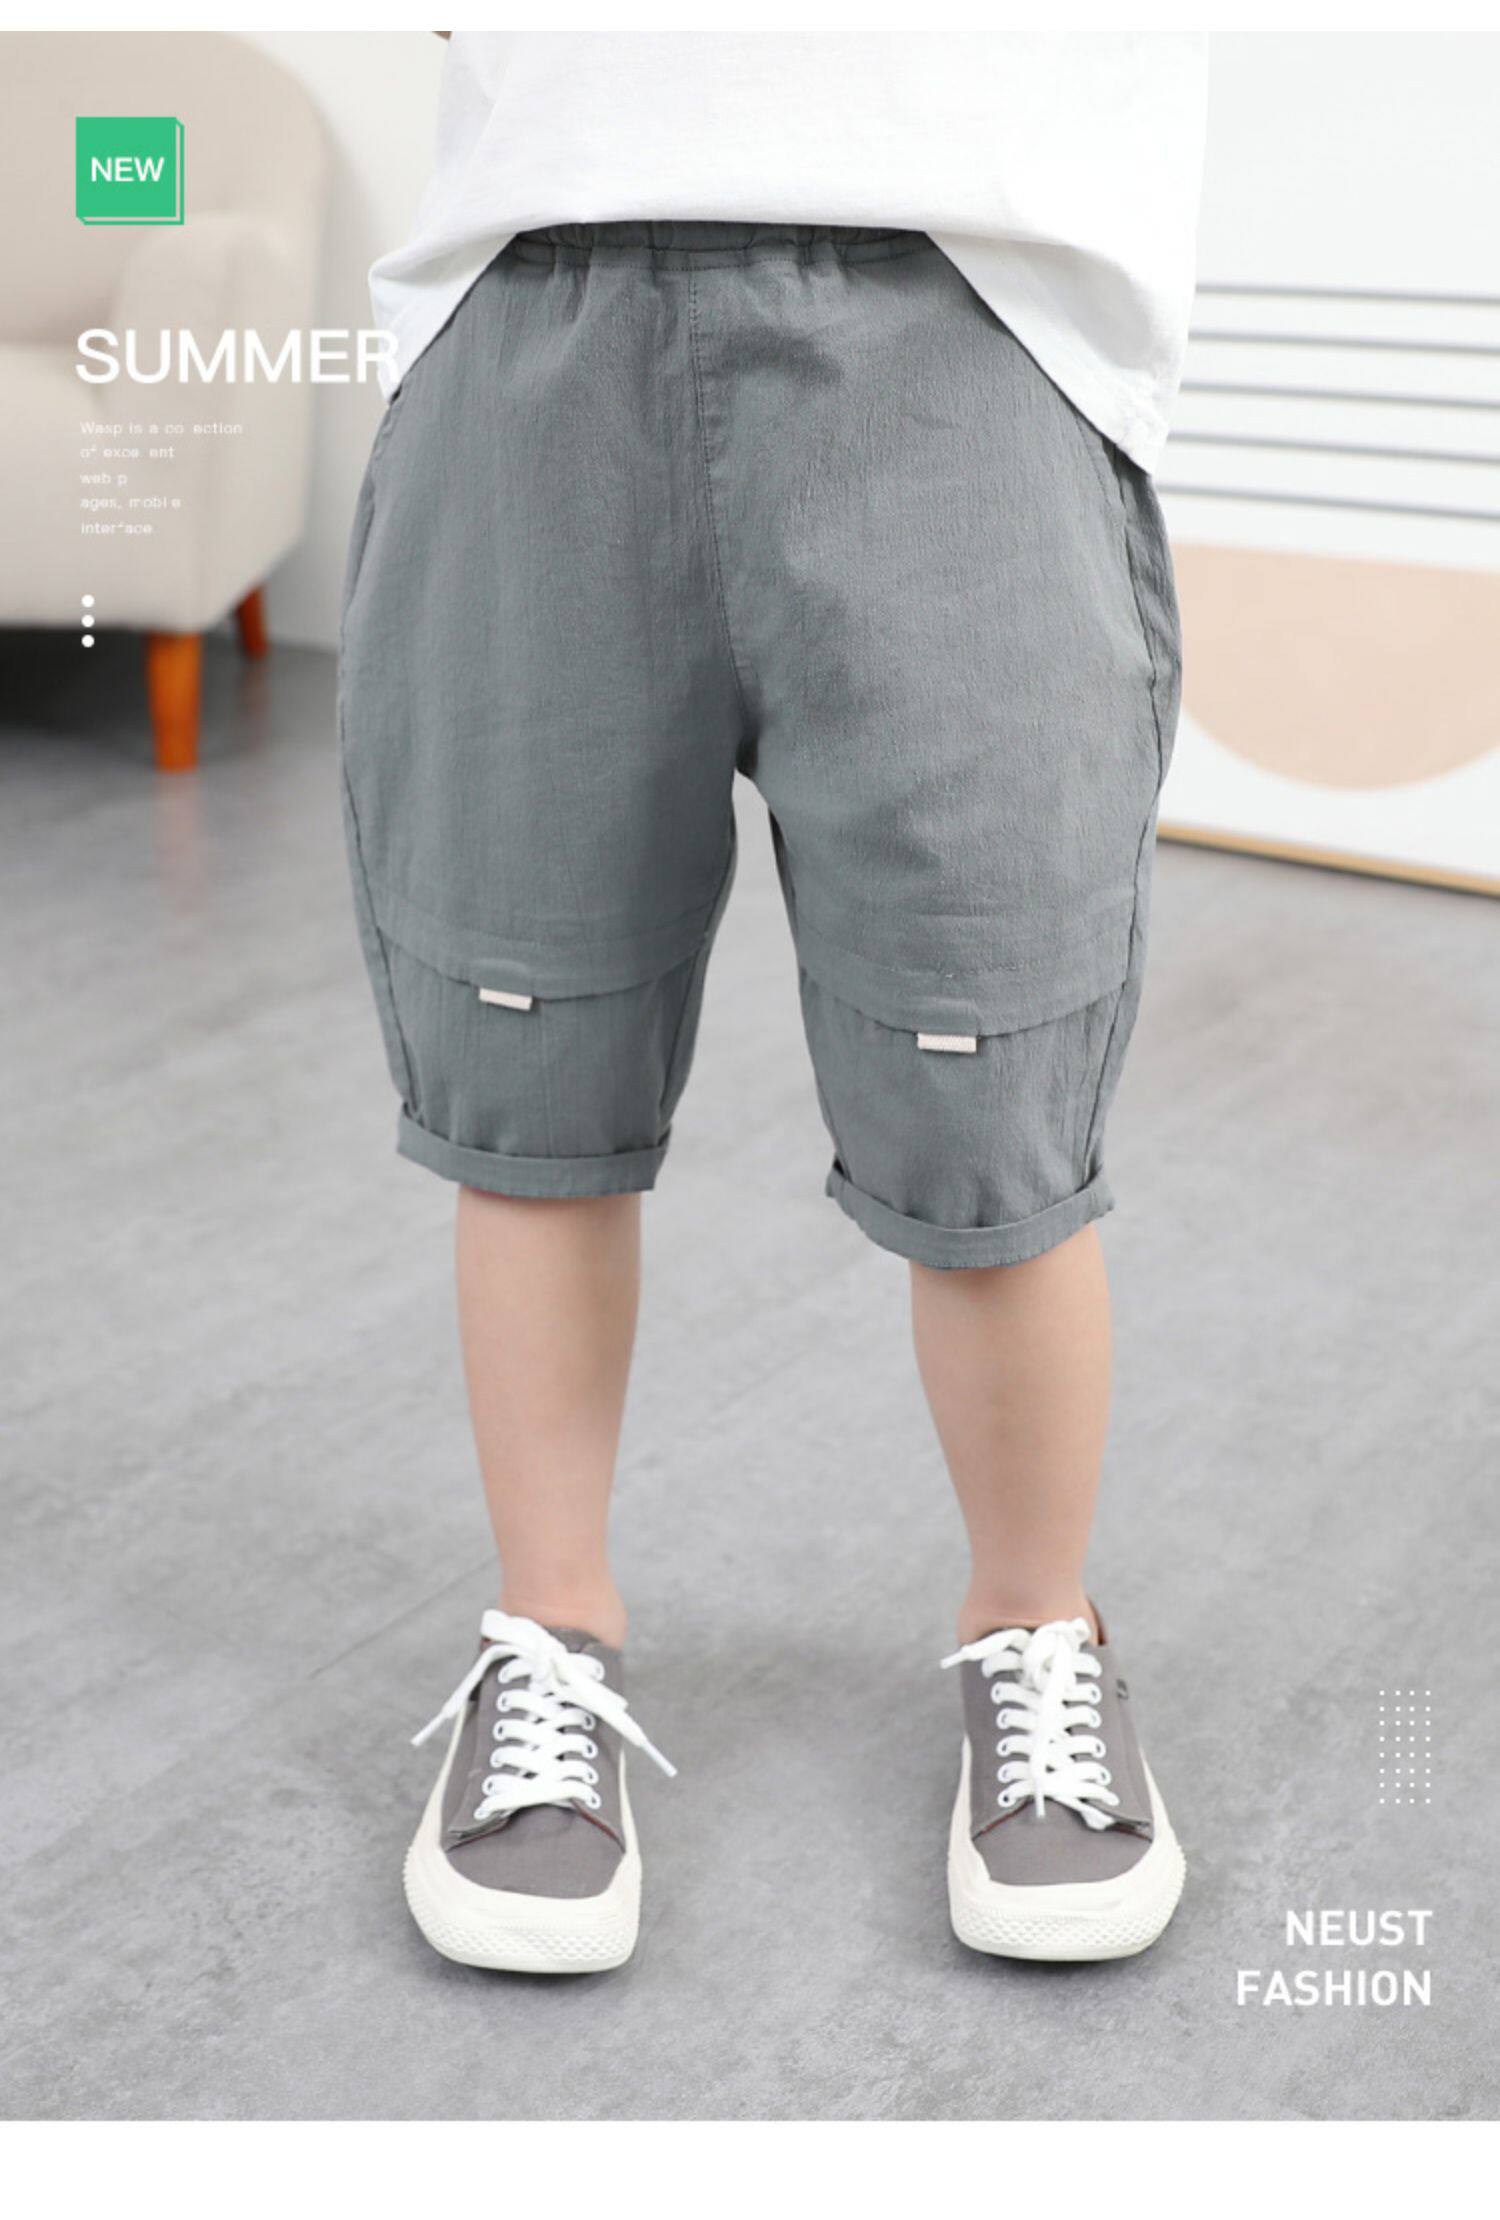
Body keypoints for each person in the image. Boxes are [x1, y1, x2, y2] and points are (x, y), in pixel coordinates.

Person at [340, 31, 1206, 1973]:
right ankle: (548, 1640)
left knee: (987, 1086)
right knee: (531, 1063)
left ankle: (1038, 1636)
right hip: (539, 311)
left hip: (967, 312)